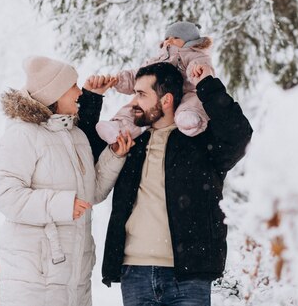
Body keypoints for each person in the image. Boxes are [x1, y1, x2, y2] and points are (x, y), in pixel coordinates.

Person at [100, 61, 253, 305]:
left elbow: (239, 136)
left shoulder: (200, 143)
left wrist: (207, 85)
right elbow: (87, 156)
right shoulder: (131, 144)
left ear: (166, 100)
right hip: (134, 272)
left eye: (141, 94)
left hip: (187, 275)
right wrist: (91, 99)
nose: (134, 102)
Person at [0, 56, 134, 306]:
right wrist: (62, 205)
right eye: (73, 86)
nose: (80, 92)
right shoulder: (22, 134)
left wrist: (114, 156)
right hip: (34, 279)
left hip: (74, 279)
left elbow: (90, 195)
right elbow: (7, 196)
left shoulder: (76, 135)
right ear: (55, 94)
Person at [95, 21, 215, 144]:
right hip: (160, 95)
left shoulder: (196, 56)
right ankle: (118, 128)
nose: (169, 41)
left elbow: (201, 67)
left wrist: (196, 70)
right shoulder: (159, 58)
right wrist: (122, 79)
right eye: (167, 38)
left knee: (192, 103)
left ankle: (189, 120)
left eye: (175, 38)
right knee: (137, 107)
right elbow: (142, 74)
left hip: (188, 92)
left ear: (191, 41)